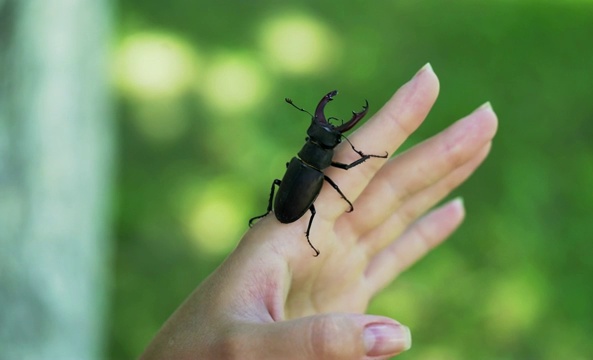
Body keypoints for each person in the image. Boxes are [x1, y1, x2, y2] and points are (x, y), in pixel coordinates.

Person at [141, 63, 498, 359]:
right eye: (321, 134)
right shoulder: (322, 166)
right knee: (316, 204)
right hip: (293, 206)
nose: (325, 132)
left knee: (295, 193)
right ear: (316, 145)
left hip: (289, 197)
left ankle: (296, 223)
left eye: (329, 136)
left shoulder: (303, 161)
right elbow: (340, 176)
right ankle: (305, 229)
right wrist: (365, 158)